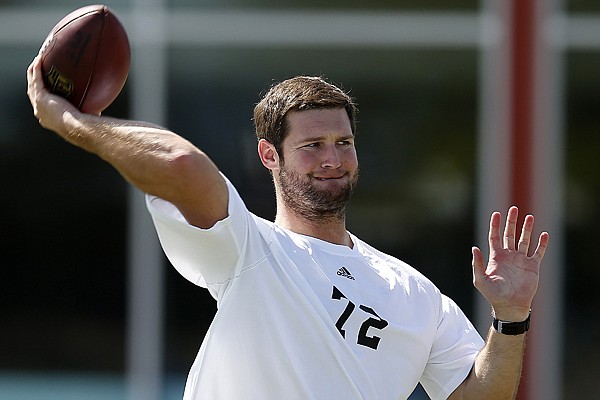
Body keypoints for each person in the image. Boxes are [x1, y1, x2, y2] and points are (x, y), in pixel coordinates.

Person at [27, 56, 548, 399]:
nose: (332, 158)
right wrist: (70, 122)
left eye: (343, 143)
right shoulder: (249, 248)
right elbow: (182, 164)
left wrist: (512, 317)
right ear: (269, 156)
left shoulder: (413, 292)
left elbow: (478, 395)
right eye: (312, 146)